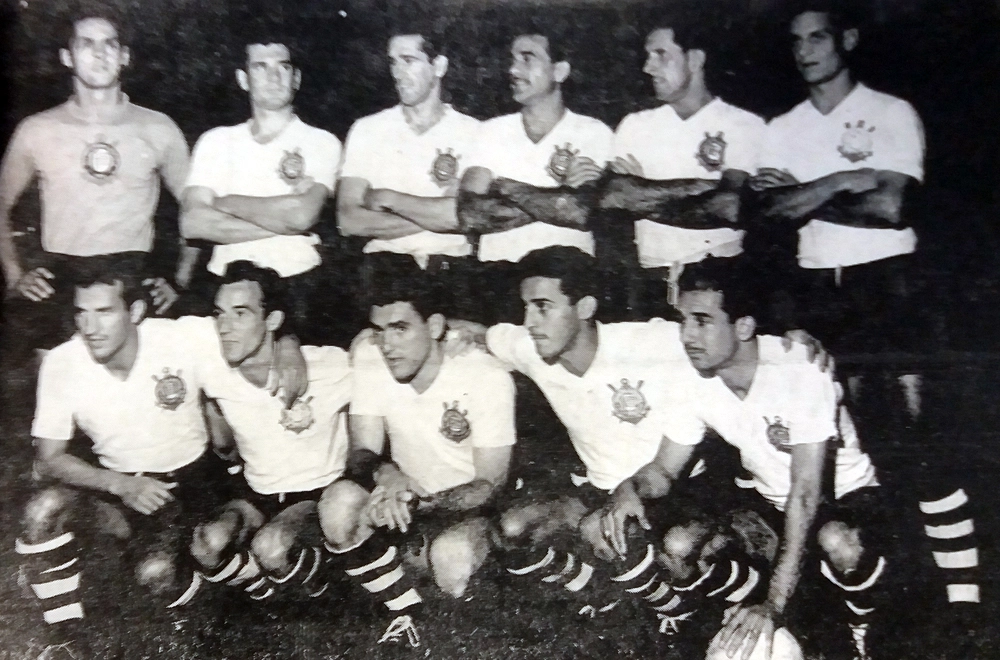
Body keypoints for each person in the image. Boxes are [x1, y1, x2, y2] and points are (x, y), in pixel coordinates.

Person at [750, 4, 980, 646]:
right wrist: (847, 180)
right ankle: (876, 596)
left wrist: (816, 190)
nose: (805, 50)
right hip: (817, 294)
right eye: (795, 41)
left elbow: (893, 205)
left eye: (817, 36)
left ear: (847, 39)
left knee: (918, 445)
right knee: (844, 453)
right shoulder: (783, 126)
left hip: (889, 289)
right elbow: (773, 208)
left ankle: (966, 605)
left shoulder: (890, 112)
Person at [14, 262, 305, 659]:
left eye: (104, 312)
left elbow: (256, 327)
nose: (90, 327)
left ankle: (247, 599)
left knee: (157, 574)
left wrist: (289, 349)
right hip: (119, 485)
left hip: (192, 482)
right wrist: (121, 485)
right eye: (81, 312)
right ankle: (66, 639)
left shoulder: (181, 337)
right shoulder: (63, 362)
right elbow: (49, 459)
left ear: (135, 313)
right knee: (43, 510)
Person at [604, 258, 886, 660]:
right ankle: (757, 612)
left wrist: (774, 604)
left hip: (845, 499)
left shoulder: (799, 369)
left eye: (702, 321)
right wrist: (629, 487)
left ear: (744, 326)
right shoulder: (692, 378)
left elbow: (807, 495)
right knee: (681, 543)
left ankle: (860, 627)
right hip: (770, 503)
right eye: (682, 319)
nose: (686, 335)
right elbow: (665, 469)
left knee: (836, 541)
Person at [319, 256, 516, 646]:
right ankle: (404, 610)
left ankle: (464, 631)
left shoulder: (485, 375)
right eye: (378, 331)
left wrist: (417, 504)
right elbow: (361, 452)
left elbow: (490, 485)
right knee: (337, 503)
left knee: (451, 557)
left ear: (437, 326)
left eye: (400, 329)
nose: (387, 345)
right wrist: (388, 475)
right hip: (405, 501)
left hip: (469, 511)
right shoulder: (372, 357)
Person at [0, 9, 187, 363]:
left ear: (125, 56)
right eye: (87, 44)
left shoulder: (159, 128)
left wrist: (178, 280)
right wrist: (14, 275)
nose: (100, 54)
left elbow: (196, 208)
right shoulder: (37, 129)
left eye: (110, 44)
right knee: (62, 395)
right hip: (62, 275)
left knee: (141, 396)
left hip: (132, 272)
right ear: (67, 57)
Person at [180, 31, 342, 344]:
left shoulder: (322, 142)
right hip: (226, 286)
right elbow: (193, 223)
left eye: (282, 67)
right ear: (243, 79)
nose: (273, 77)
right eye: (260, 67)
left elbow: (302, 216)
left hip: (298, 285)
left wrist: (225, 202)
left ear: (296, 78)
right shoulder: (216, 142)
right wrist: (283, 220)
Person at [603, 19, 764, 319]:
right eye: (647, 56)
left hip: (720, 279)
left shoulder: (744, 125)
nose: (648, 67)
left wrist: (643, 190)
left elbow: (728, 206)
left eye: (660, 54)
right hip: (650, 280)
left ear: (695, 59)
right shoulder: (635, 125)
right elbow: (616, 198)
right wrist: (705, 190)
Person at [458, 30, 613, 323]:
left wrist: (504, 188)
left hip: (564, 282)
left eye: (527, 59)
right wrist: (560, 197)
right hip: (498, 279)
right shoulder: (490, 131)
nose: (513, 70)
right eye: (513, 60)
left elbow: (581, 211)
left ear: (560, 70)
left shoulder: (594, 132)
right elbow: (471, 212)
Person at [336, 25, 480, 319]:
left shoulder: (475, 132)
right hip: (384, 271)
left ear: (438, 66)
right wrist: (438, 213)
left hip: (452, 270)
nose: (397, 73)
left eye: (409, 60)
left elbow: (467, 216)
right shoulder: (368, 130)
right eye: (393, 62)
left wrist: (389, 198)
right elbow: (349, 220)